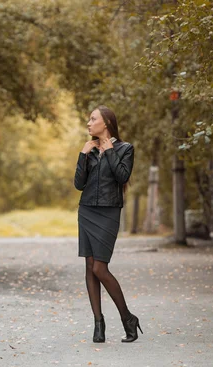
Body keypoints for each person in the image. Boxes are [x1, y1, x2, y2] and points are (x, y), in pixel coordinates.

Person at [73, 105, 143, 343]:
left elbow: (122, 176)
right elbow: (79, 184)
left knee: (100, 268)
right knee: (89, 266)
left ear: (106, 123)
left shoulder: (125, 149)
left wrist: (110, 150)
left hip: (109, 212)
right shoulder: (89, 150)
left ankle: (127, 318)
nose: (88, 123)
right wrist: (83, 154)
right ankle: (98, 324)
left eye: (93, 119)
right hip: (87, 211)